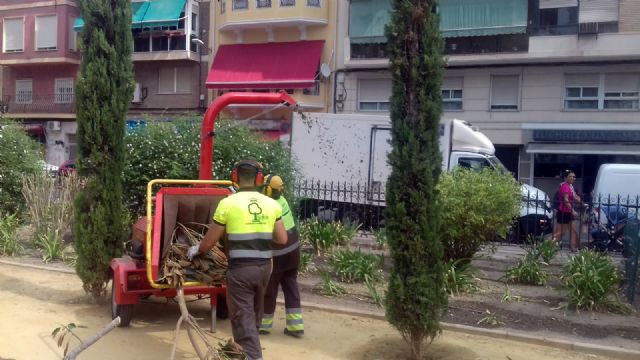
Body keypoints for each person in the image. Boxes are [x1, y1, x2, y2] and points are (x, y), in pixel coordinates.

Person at [187, 160, 287, 360]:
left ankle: (252, 356)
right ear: (260, 178)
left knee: (243, 319)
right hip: (264, 268)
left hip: (240, 271)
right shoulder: (272, 204)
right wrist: (260, 240)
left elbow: (209, 243)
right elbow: (282, 239)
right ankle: (243, 352)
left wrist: (197, 249)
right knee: (253, 317)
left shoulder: (228, 203)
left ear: (235, 177)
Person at [258, 175, 304, 338]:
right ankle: (295, 327)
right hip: (293, 253)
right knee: (291, 286)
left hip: (279, 255)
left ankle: (263, 325)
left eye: (264, 187)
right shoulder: (282, 200)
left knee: (269, 289)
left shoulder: (269, 205)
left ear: (269, 189)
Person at [551, 170, 582, 252]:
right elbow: (565, 200)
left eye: (574, 177)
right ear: (566, 178)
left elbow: (576, 197)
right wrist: (573, 211)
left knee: (573, 230)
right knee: (561, 232)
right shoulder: (565, 186)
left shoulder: (570, 186)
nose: (573, 178)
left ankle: (573, 248)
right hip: (564, 212)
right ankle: (547, 245)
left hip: (568, 212)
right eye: (571, 176)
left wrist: (582, 203)